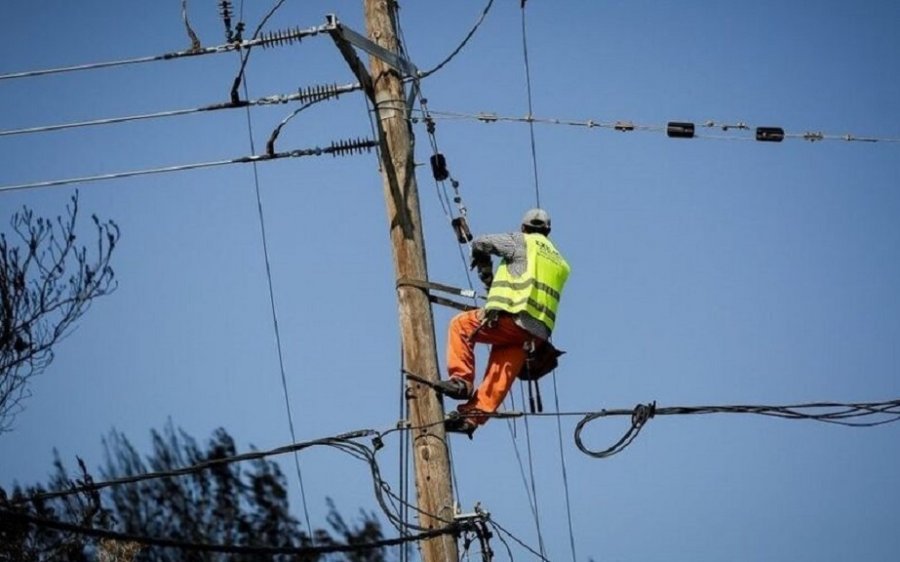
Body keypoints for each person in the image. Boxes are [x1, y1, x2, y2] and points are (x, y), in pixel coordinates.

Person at [437, 208, 571, 437]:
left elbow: (482, 242)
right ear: (548, 231)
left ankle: (461, 381)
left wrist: (483, 264)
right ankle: (471, 418)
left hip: (515, 319)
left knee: (460, 325)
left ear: (524, 228)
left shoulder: (521, 241)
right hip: (536, 333)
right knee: (501, 370)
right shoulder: (560, 261)